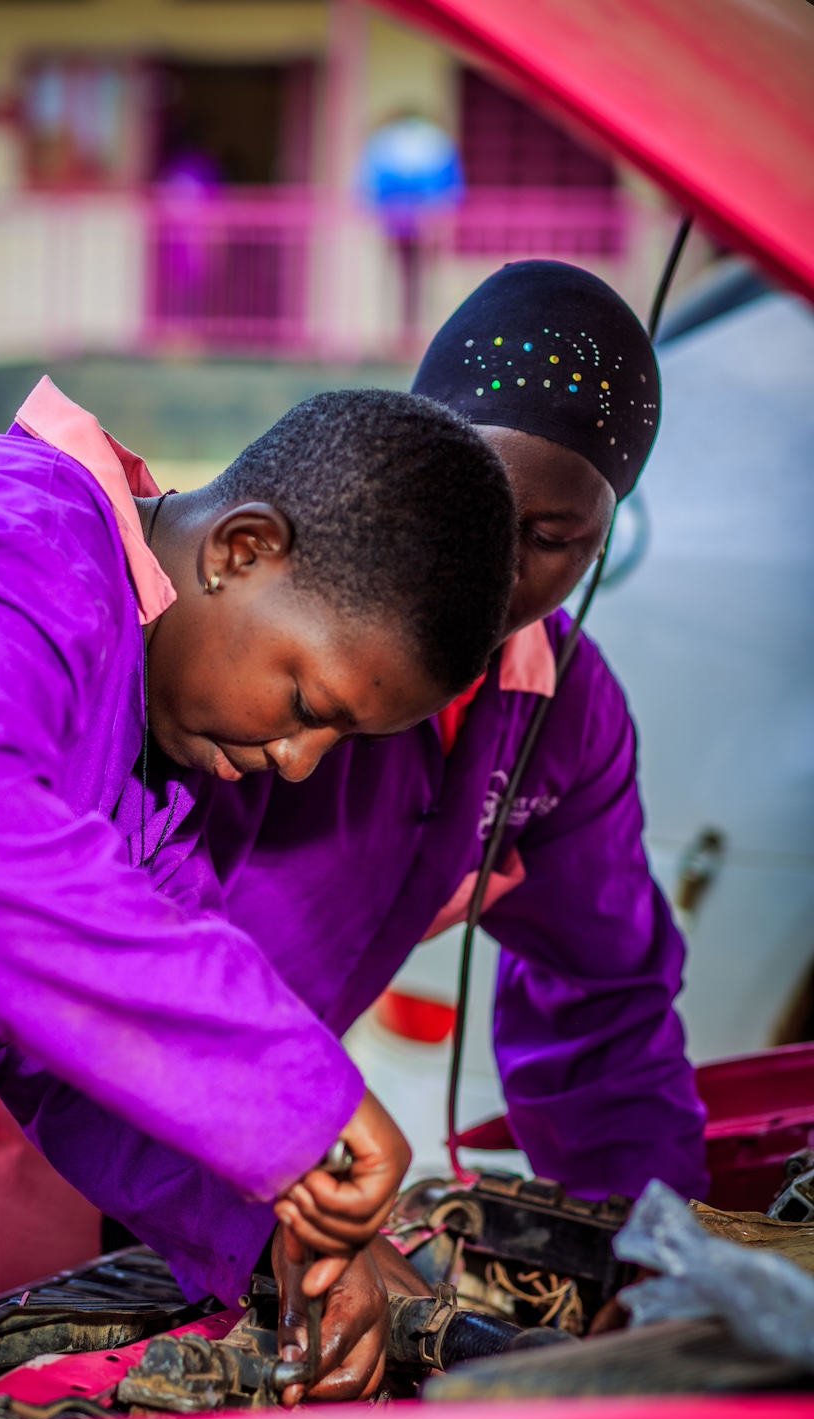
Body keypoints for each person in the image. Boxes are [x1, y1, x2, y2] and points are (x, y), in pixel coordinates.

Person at [0, 376, 518, 1378]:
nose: (299, 761)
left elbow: (78, 1057)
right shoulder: (19, 552)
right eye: (305, 701)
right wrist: (284, 1085)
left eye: (340, 741)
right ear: (242, 550)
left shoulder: (148, 773)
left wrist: (287, 1228)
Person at [205, 261, 708, 1358]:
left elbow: (603, 1009)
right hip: (32, 1116)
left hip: (256, 1167)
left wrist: (654, 1253)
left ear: (604, 542)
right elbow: (105, 946)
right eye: (472, 497)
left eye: (547, 539)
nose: (491, 563)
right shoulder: (247, 642)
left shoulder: (561, 719)